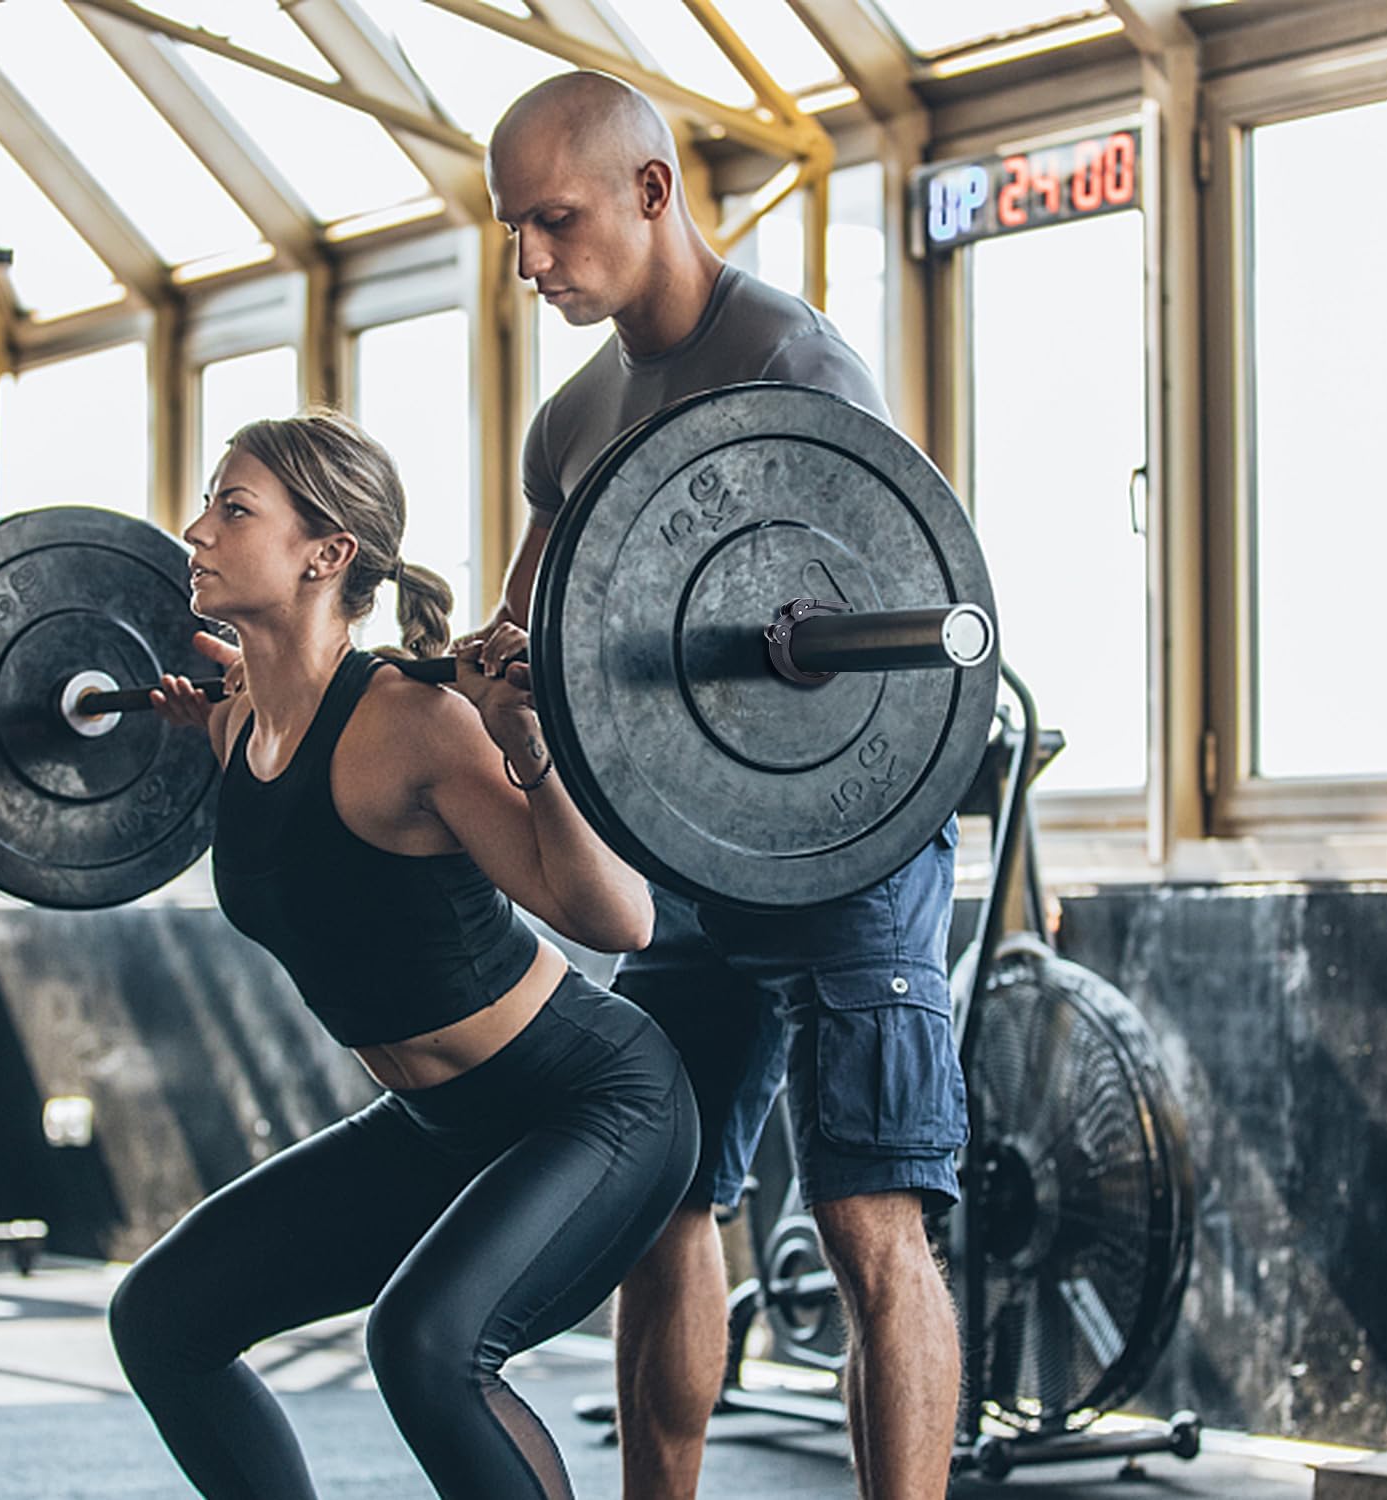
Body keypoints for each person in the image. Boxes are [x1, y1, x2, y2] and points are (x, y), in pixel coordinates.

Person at [473, 71, 969, 1500]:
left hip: (844, 846)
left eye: (554, 223)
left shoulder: (792, 370)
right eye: (514, 230)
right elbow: (538, 628)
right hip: (684, 856)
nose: (529, 263)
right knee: (664, 1193)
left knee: (873, 1222)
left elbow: (877, 660)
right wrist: (501, 676)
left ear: (651, 190)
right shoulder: (572, 422)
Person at [108, 407, 699, 1500]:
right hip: (436, 1126)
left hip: (591, 1106)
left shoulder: (414, 724)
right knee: (165, 1319)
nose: (194, 530)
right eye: (207, 504)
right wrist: (199, 724)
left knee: (426, 1349)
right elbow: (297, 836)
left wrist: (526, 747)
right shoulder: (241, 720)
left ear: (325, 555)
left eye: (232, 509)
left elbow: (623, 922)